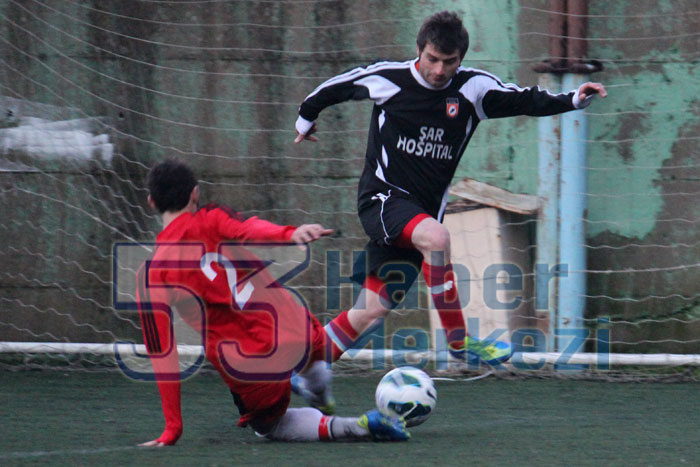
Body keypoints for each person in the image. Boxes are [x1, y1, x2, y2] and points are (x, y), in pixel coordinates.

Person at [294, 11, 607, 367]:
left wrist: (573, 99)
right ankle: (458, 341)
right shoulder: (389, 80)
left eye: (449, 61)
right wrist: (306, 117)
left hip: (421, 217)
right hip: (382, 201)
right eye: (432, 59)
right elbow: (335, 87)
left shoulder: (473, 90)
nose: (439, 70)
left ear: (461, 59)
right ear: (419, 50)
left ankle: (302, 368)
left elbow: (524, 99)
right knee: (438, 238)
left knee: (369, 311)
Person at [134, 159, 409, 445]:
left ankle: (353, 426)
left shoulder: (152, 274)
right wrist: (290, 233)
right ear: (195, 193)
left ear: (151, 202)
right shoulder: (212, 217)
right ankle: (318, 387)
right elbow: (249, 229)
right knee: (318, 348)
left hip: (249, 364)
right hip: (288, 324)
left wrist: (173, 427)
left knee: (268, 425)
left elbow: (163, 353)